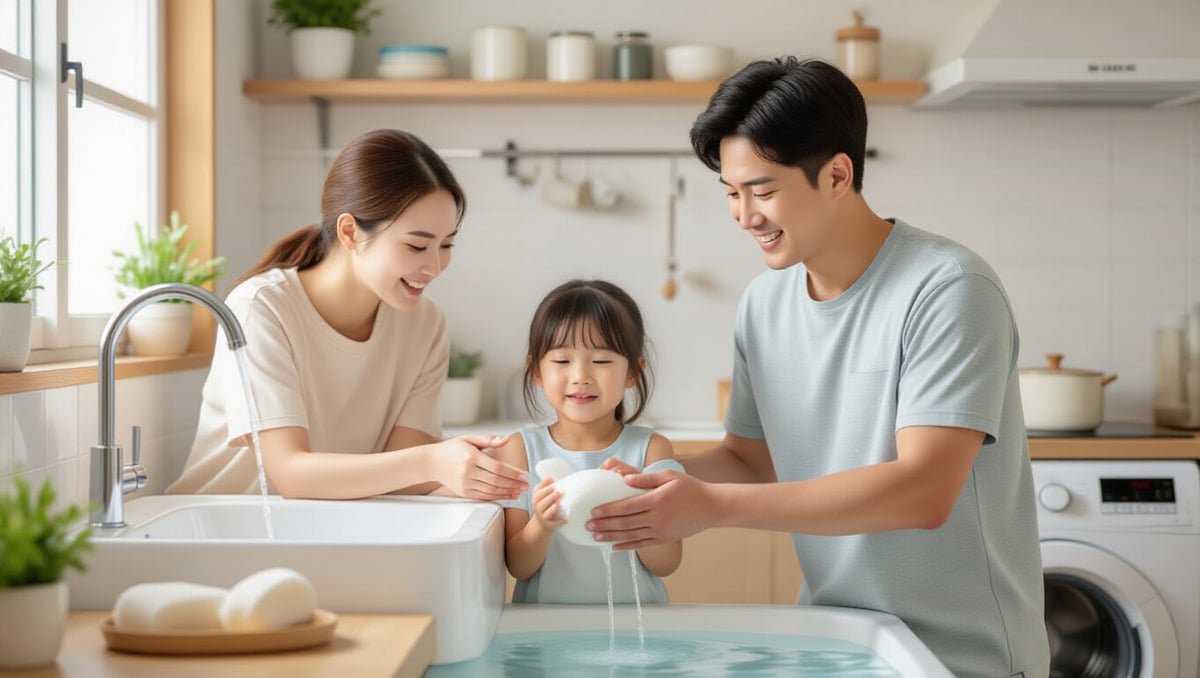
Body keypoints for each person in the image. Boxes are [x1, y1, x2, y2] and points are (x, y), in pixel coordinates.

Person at [588, 58, 1051, 677]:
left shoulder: (949, 288)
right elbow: (752, 461)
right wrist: (639, 478)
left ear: (837, 175)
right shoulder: (764, 302)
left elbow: (924, 491)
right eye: (731, 192)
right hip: (838, 642)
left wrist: (714, 507)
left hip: (960, 657)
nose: (744, 215)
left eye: (763, 190)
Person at [167, 129, 528, 502]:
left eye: (447, 244)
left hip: (327, 527)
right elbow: (291, 473)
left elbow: (401, 472)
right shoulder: (261, 307)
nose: (435, 266)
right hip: (225, 529)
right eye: (417, 245)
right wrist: (431, 462)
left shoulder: (425, 324)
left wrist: (497, 473)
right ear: (351, 232)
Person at [496, 279, 682, 604]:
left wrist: (641, 504)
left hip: (638, 632)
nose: (580, 375)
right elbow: (519, 567)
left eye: (601, 361)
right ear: (537, 371)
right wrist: (542, 523)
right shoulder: (520, 449)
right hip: (547, 634)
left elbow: (667, 564)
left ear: (632, 373)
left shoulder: (651, 449)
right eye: (562, 361)